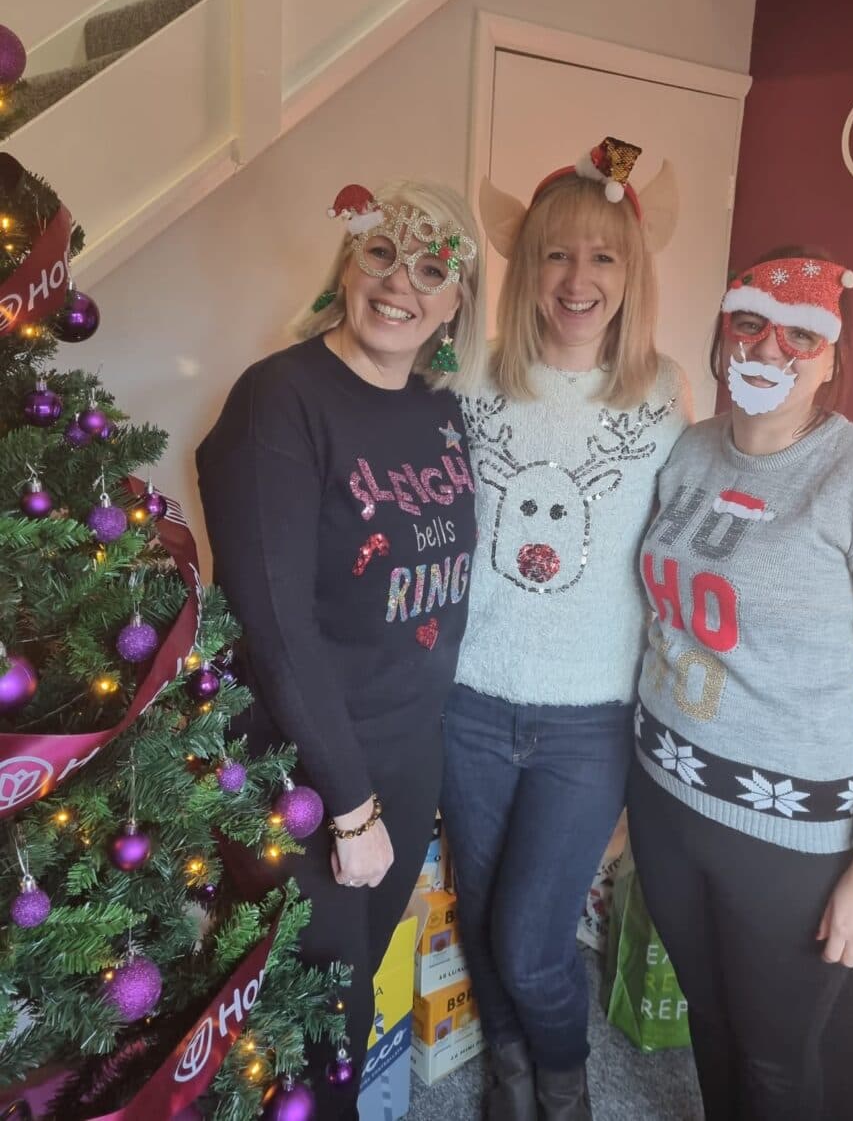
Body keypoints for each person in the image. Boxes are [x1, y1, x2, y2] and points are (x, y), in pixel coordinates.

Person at [629, 247, 853, 1121]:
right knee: (707, 1015)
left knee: (775, 1060)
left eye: (801, 335)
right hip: (663, 800)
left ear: (833, 356)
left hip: (789, 835)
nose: (771, 351)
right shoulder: (689, 454)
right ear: (723, 334)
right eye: (750, 325)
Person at [196, 178, 485, 1118]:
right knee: (316, 1014)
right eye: (382, 254)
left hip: (408, 752)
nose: (402, 283)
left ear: (453, 307)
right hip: (306, 765)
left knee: (349, 1004)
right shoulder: (279, 399)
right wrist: (352, 808)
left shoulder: (440, 411)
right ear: (347, 265)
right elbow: (276, 619)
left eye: (433, 269)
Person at [441, 138, 691, 1121]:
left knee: (532, 941)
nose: (577, 279)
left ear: (631, 273)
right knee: (482, 920)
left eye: (601, 257)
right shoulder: (469, 378)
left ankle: (565, 1085)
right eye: (555, 254)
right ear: (527, 268)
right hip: (469, 704)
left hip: (587, 721)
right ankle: (511, 1084)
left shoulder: (666, 394)